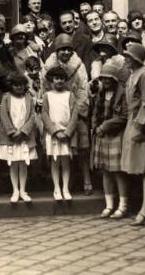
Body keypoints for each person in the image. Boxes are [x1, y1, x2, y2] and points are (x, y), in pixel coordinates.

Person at [43, 33, 92, 195]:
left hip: (76, 110)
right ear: (56, 51)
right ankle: (63, 184)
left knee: (82, 148)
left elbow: (83, 89)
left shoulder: (79, 65)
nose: (65, 53)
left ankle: (86, 179)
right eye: (61, 49)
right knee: (59, 151)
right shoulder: (49, 65)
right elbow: (45, 88)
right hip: (57, 113)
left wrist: (76, 113)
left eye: (68, 49)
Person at [120, 42, 145, 226]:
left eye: (128, 57)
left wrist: (141, 126)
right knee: (137, 165)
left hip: (140, 123)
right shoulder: (133, 74)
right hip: (131, 121)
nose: (125, 59)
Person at [90, 62, 129, 219]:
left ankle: (123, 205)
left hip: (115, 135)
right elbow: (95, 113)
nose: (105, 82)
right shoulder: (101, 94)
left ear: (115, 79)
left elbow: (123, 116)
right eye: (103, 78)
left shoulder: (122, 94)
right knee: (106, 171)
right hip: (101, 136)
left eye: (108, 79)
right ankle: (109, 205)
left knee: (118, 172)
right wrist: (94, 127)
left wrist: (104, 126)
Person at [0, 72, 37, 204]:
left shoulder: (28, 98)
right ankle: (15, 190)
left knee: (23, 163)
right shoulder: (6, 97)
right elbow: (4, 115)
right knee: (13, 163)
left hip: (24, 136)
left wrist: (23, 131)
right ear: (11, 86)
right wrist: (12, 132)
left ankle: (23, 190)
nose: (19, 87)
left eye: (21, 85)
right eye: (16, 85)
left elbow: (32, 116)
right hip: (11, 136)